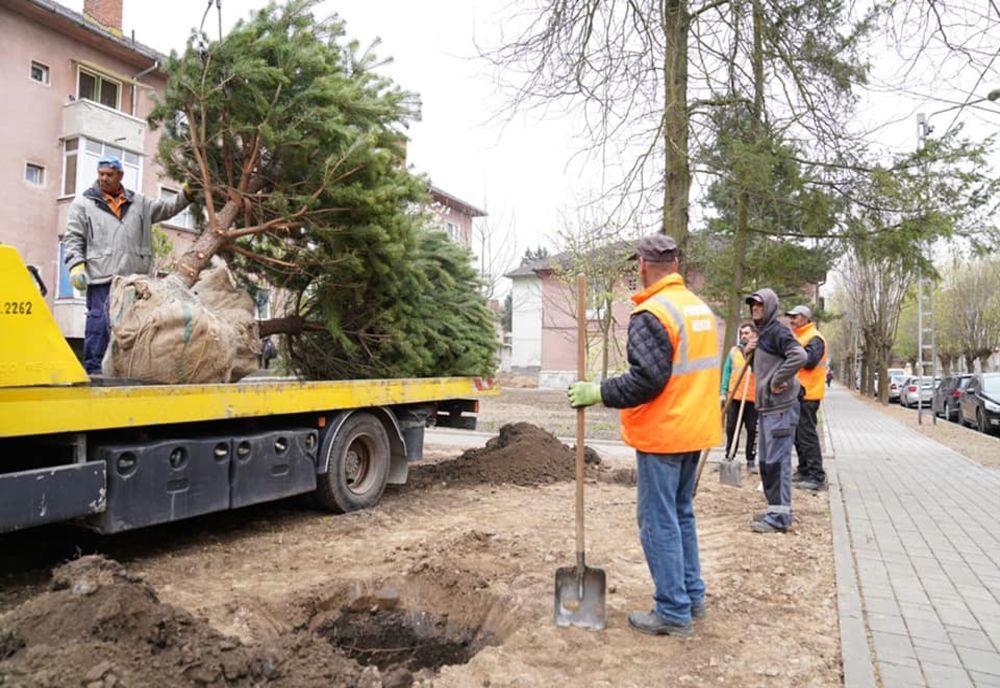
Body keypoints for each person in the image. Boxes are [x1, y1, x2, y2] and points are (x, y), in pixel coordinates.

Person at [568, 234, 721, 638]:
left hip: (665, 433)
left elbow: (647, 381)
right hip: (695, 430)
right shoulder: (696, 308)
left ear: (641, 265)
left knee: (658, 520)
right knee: (681, 513)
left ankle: (673, 610)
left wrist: (598, 391)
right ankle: (692, 596)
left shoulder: (653, 313)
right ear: (676, 265)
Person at [64, 157, 192, 374]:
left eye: (109, 175)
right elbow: (73, 237)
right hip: (102, 278)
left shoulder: (139, 203)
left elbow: (168, 208)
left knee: (135, 328)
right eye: (101, 174)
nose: (104, 178)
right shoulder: (84, 204)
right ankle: (94, 371)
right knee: (99, 325)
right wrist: (76, 265)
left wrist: (187, 195)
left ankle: (130, 370)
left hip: (135, 281)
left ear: (120, 176)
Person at [743, 290, 806, 534]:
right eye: (752, 305)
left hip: (781, 408)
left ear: (769, 307)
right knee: (766, 463)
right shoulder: (764, 334)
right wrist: (749, 350)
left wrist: (778, 379)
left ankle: (780, 518)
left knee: (778, 463)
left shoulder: (778, 331)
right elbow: (758, 367)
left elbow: (799, 355)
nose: (755, 308)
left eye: (760, 305)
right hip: (768, 407)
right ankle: (775, 510)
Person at [786, 305, 828, 490]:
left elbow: (809, 362)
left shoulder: (814, 338)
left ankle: (816, 475)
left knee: (807, 435)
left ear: (804, 318)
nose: (791, 321)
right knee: (798, 435)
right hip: (798, 394)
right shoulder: (800, 337)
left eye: (794, 317)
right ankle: (803, 470)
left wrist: (791, 352)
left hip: (808, 394)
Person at [720, 321, 758, 474]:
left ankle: (750, 460)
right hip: (734, 396)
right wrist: (723, 392)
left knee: (752, 430)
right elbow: (727, 372)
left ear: (754, 335)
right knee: (731, 428)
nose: (743, 336)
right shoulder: (734, 351)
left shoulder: (759, 353)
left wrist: (751, 352)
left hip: (753, 398)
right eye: (742, 333)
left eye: (747, 333)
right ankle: (729, 456)